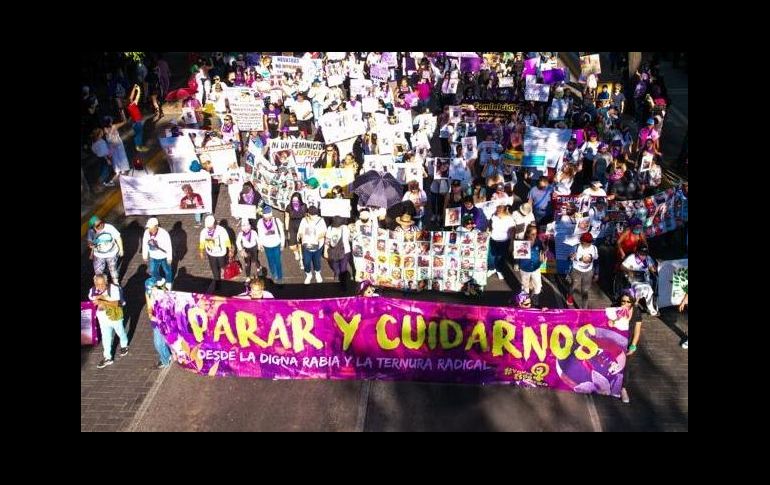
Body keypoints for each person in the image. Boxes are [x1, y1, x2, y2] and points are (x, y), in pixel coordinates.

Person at [606, 291, 643, 403]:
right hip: (614, 341)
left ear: (632, 302)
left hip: (628, 342)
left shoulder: (636, 312)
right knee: (611, 363)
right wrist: (616, 318)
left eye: (628, 301)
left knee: (625, 366)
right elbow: (609, 324)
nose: (625, 304)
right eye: (623, 301)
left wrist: (633, 346)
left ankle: (623, 389)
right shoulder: (614, 309)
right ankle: (609, 385)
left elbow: (637, 331)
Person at [89, 274, 129, 369]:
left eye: (102, 284)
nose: (100, 286)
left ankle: (124, 344)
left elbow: (115, 303)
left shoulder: (114, 289)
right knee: (106, 336)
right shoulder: (92, 291)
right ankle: (107, 357)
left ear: (106, 282)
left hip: (115, 315)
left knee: (120, 331)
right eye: (98, 284)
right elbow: (92, 301)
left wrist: (102, 301)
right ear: (95, 283)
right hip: (102, 317)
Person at [621, 243, 659, 316]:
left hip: (645, 279)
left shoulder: (648, 258)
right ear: (637, 252)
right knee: (640, 288)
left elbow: (653, 268)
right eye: (641, 254)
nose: (643, 256)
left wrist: (653, 268)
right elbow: (622, 266)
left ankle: (651, 308)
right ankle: (634, 304)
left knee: (649, 289)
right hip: (633, 279)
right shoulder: (631, 258)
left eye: (644, 254)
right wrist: (629, 271)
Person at [199, 215, 233, 293]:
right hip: (211, 253)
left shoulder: (221, 230)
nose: (210, 228)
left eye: (211, 226)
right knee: (214, 269)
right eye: (208, 227)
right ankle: (217, 284)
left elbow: (226, 240)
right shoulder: (204, 231)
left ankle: (222, 272)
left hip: (221, 253)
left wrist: (230, 249)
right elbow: (202, 242)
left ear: (214, 223)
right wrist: (201, 252)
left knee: (222, 265)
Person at [144, 276, 173, 369]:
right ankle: (166, 357)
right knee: (158, 343)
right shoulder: (148, 293)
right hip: (155, 321)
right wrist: (150, 314)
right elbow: (149, 306)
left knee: (161, 342)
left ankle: (165, 360)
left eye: (152, 288)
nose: (151, 290)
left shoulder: (164, 292)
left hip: (165, 320)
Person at [87, 216, 124, 285]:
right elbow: (89, 241)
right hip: (98, 255)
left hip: (112, 253)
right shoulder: (91, 231)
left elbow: (118, 237)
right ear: (93, 227)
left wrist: (121, 249)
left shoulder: (110, 227)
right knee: (98, 272)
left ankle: (116, 283)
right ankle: (101, 285)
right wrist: (90, 245)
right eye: (98, 225)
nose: (101, 225)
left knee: (113, 269)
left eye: (101, 222)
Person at [567, 232, 599, 308]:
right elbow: (569, 258)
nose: (589, 244)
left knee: (585, 291)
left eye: (590, 242)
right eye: (587, 242)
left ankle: (584, 309)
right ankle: (570, 296)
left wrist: (597, 273)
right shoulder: (576, 247)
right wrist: (578, 258)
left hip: (588, 272)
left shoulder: (594, 248)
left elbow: (596, 260)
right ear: (582, 241)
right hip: (576, 270)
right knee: (574, 287)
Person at [516, 225, 545, 307]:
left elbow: (541, 252)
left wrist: (543, 254)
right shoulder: (522, 243)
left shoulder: (538, 242)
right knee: (525, 287)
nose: (534, 236)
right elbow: (517, 256)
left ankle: (535, 300)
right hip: (524, 269)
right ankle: (525, 302)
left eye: (536, 234)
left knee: (538, 286)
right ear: (527, 234)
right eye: (532, 234)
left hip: (536, 267)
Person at [298, 206, 327, 284]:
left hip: (318, 246)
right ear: (308, 214)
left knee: (317, 261)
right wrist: (302, 236)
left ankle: (317, 273)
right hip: (306, 246)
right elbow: (300, 232)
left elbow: (324, 232)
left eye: (315, 215)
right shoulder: (304, 220)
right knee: (306, 262)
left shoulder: (321, 220)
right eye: (312, 215)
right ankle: (308, 274)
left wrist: (316, 237)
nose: (314, 217)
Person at [142, 218, 174, 289]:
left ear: (156, 226)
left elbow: (169, 246)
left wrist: (169, 257)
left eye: (151, 228)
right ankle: (160, 280)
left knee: (167, 270)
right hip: (153, 256)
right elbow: (145, 244)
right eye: (148, 227)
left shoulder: (164, 233)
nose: (149, 229)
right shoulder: (146, 233)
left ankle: (169, 282)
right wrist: (145, 255)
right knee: (153, 271)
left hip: (164, 256)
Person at [256, 206, 285, 284]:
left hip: (276, 244)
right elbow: (260, 234)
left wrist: (282, 244)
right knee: (270, 261)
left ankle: (279, 276)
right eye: (266, 215)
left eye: (269, 215)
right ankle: (273, 273)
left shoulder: (276, 220)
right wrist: (260, 244)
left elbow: (282, 233)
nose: (268, 217)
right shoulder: (260, 222)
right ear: (263, 215)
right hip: (267, 245)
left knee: (278, 261)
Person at [488, 203, 514, 280]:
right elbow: (490, 225)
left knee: (500, 257)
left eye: (499, 212)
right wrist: (488, 231)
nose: (497, 213)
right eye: (497, 212)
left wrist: (511, 243)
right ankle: (492, 269)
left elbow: (512, 231)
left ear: (504, 212)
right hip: (493, 239)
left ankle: (499, 270)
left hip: (504, 242)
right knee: (491, 257)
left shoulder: (510, 219)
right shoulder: (493, 216)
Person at [325, 216, 351, 286]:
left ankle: (343, 282)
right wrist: (325, 250)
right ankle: (337, 273)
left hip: (345, 251)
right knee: (334, 264)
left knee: (343, 267)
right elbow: (327, 240)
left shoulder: (345, 228)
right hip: (333, 250)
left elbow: (349, 237)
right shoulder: (330, 228)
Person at [284, 192, 308, 268]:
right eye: (293, 201)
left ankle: (301, 260)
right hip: (292, 226)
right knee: (292, 246)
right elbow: (287, 217)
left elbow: (307, 217)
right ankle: (296, 252)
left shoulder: (304, 206)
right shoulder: (288, 207)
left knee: (301, 244)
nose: (294, 202)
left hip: (301, 225)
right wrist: (286, 229)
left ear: (300, 200)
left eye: (296, 201)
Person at [126, 84, 149, 152]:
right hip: (137, 122)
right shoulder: (133, 104)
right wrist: (138, 90)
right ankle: (139, 147)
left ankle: (138, 145)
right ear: (130, 100)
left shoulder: (129, 106)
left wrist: (134, 88)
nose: (131, 98)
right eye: (130, 98)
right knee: (139, 134)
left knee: (137, 134)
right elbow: (136, 96)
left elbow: (132, 96)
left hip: (134, 122)